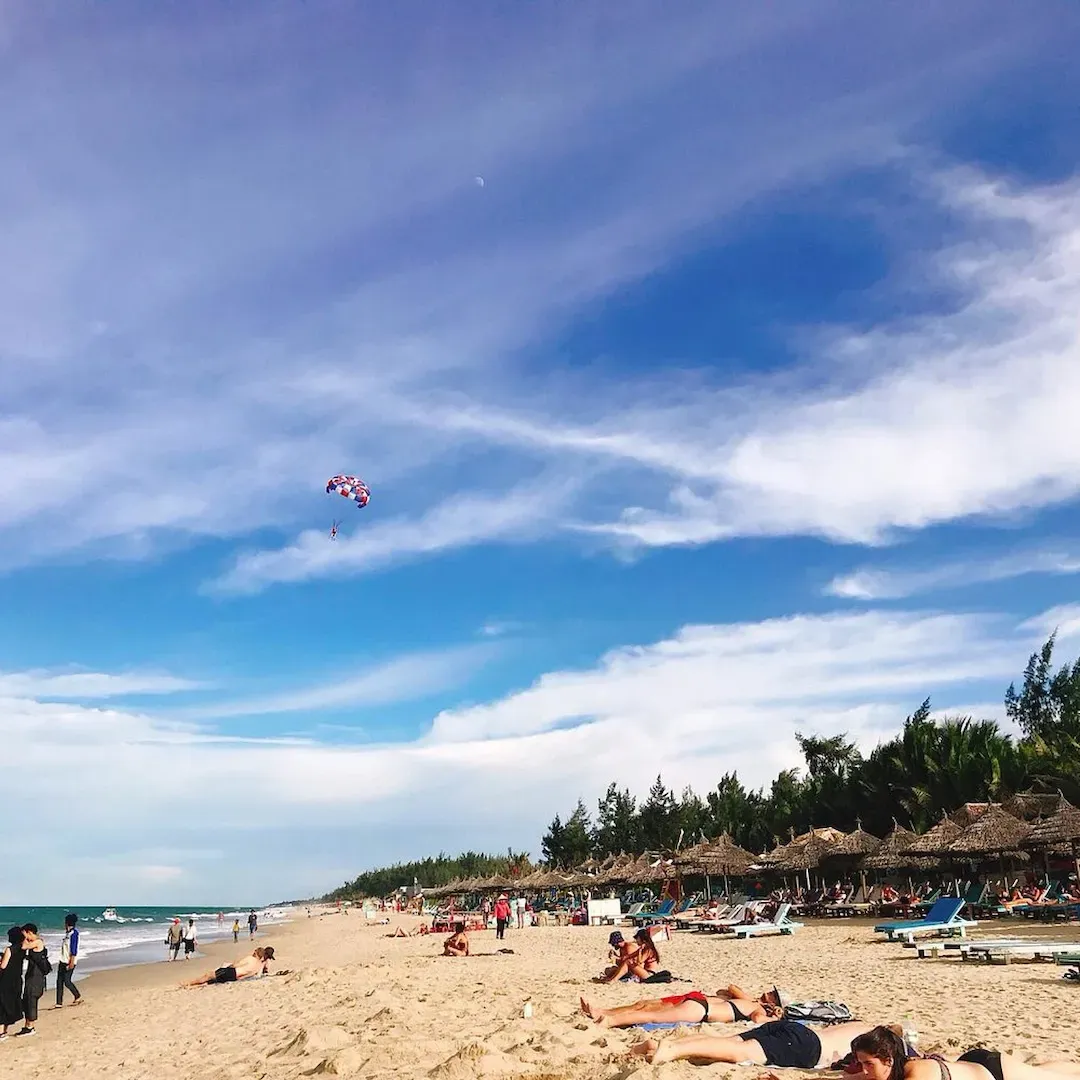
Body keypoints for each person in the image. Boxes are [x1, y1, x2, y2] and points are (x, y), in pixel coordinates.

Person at [851, 1025, 1080, 1080]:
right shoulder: (895, 1065)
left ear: (888, 1059)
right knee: (1040, 1071)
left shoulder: (918, 1073)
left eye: (868, 1064)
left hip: (994, 1072)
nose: (864, 1070)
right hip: (967, 1064)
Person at [630, 1018, 877, 1067]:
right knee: (740, 1053)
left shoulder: (863, 1025)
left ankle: (656, 1045)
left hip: (797, 1029)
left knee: (725, 1042)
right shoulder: (878, 1040)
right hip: (808, 1047)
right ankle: (673, 1048)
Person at [581, 985, 784, 1029]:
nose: (768, 993)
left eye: (772, 996)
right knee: (652, 1017)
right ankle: (609, 1020)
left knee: (650, 1012)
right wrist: (774, 1018)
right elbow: (758, 1020)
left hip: (701, 1005)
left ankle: (606, 1016)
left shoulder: (754, 1005)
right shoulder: (755, 1007)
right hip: (701, 1010)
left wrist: (771, 1014)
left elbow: (758, 1018)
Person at [184, 947, 275, 986]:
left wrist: (229, 966)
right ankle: (194, 987)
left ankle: (189, 983)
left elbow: (236, 965)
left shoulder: (250, 958)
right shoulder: (258, 966)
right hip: (235, 977)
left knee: (208, 975)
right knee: (213, 981)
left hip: (232, 972)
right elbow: (247, 976)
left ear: (256, 952)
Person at [19, 925, 50, 1036]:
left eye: (25, 934)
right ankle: (27, 1025)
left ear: (30, 932)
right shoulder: (36, 943)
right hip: (32, 975)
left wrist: (24, 938)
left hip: (36, 977)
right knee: (27, 998)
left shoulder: (38, 942)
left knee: (31, 999)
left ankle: (31, 1027)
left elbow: (23, 946)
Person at [0, 927, 25, 1038]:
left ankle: (1, 1032)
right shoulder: (23, 948)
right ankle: (4, 1031)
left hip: (6, 980)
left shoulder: (9, 949)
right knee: (10, 1004)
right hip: (17, 979)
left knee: (2, 1005)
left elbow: (3, 966)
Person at [55, 913, 82, 1006]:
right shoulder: (67, 933)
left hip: (69, 961)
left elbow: (73, 949)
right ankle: (59, 1002)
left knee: (67, 981)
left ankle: (77, 996)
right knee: (59, 982)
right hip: (62, 960)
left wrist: (71, 962)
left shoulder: (74, 934)